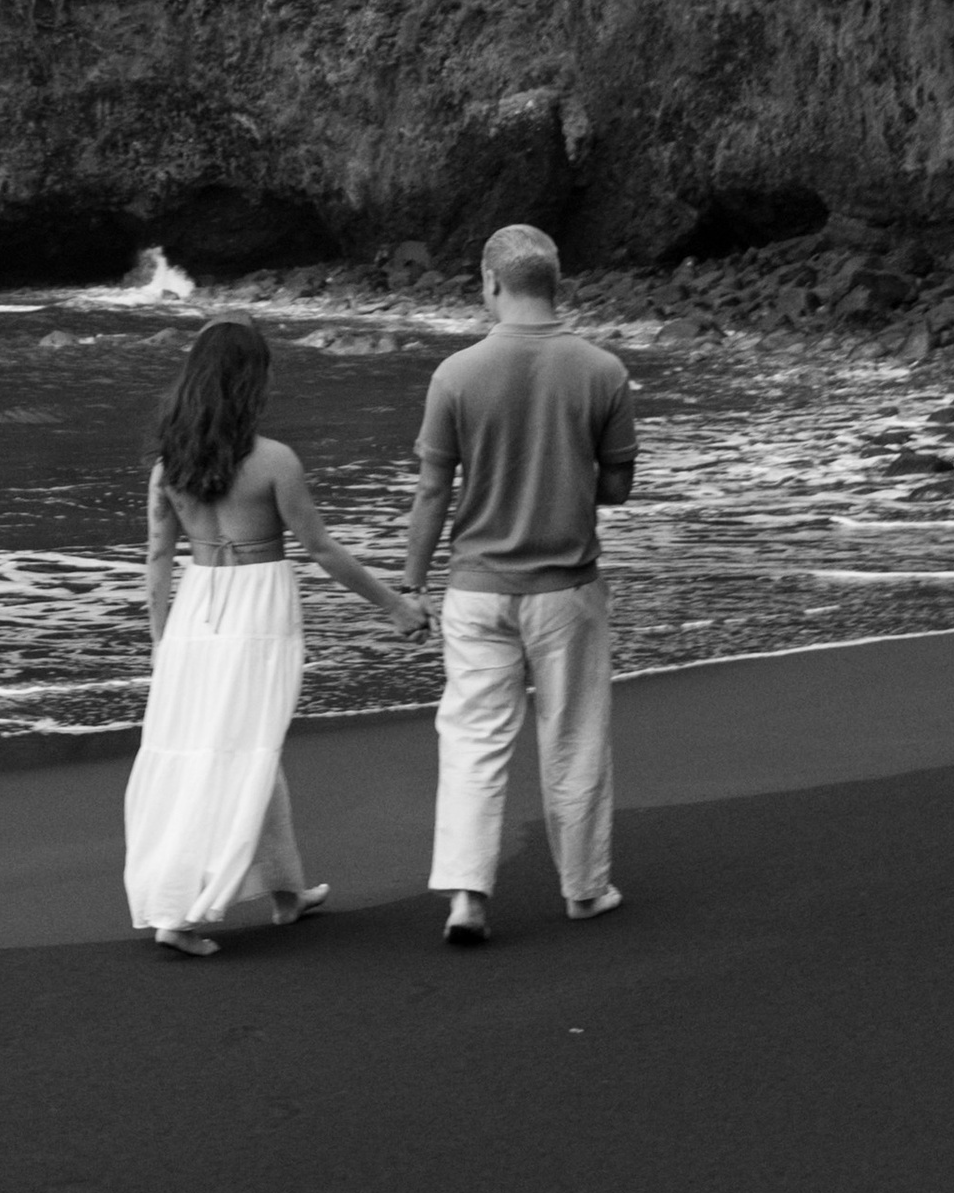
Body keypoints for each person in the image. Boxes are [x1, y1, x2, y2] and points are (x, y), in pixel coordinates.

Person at [125, 315, 424, 957]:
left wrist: (159, 642)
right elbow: (320, 549)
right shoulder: (273, 462)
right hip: (256, 612)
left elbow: (156, 558)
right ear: (248, 383)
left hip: (193, 615)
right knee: (240, 754)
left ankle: (286, 891)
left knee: (235, 749)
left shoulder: (167, 467)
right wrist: (393, 605)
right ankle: (180, 912)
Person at [397, 223, 637, 944]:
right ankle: (584, 888)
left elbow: (432, 493)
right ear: (554, 283)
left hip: (476, 586)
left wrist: (412, 585)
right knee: (574, 735)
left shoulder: (456, 374)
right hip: (565, 585)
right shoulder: (603, 371)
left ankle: (467, 895)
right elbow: (619, 486)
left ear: (492, 283)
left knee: (472, 739)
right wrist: (564, 475)